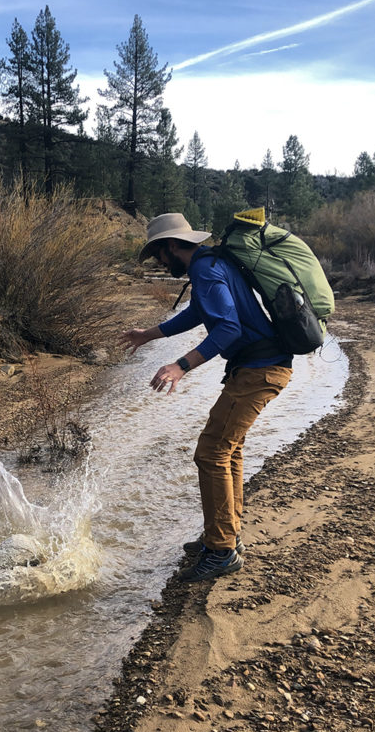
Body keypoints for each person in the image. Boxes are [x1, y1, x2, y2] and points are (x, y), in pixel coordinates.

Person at [120, 212, 293, 583]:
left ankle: (221, 550)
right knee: (227, 449)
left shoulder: (206, 270)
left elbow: (228, 327)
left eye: (159, 256)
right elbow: (199, 313)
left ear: (171, 246)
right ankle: (226, 535)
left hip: (259, 370)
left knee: (211, 452)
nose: (160, 264)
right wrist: (147, 335)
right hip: (258, 366)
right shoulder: (210, 263)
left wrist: (181, 365)